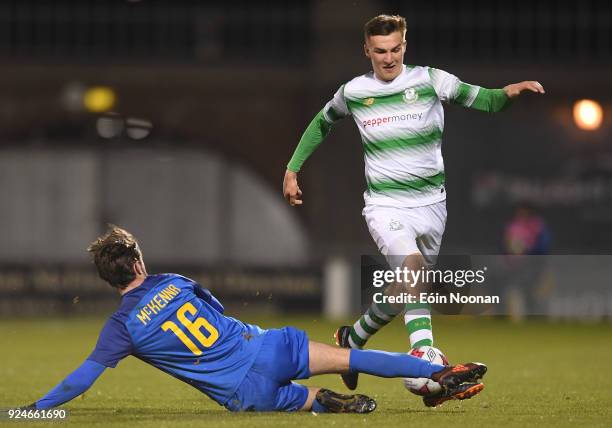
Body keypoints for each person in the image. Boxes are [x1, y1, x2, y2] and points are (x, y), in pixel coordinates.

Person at [282, 14, 544, 393]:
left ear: (405, 45)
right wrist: (292, 169)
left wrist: (508, 94)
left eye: (395, 49)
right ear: (367, 51)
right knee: (413, 271)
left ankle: (351, 339)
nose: (388, 59)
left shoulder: (431, 80)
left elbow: (484, 100)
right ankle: (426, 358)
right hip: (385, 205)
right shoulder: (354, 91)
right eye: (379, 52)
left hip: (432, 205)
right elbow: (322, 123)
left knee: (406, 288)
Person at [22, 226, 487, 413]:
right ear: (139, 261)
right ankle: (437, 371)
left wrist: (36, 410)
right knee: (355, 355)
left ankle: (322, 403)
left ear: (107, 278)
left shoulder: (121, 327)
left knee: (288, 399)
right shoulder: (175, 281)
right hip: (267, 345)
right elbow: (217, 310)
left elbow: (82, 379)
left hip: (242, 386)